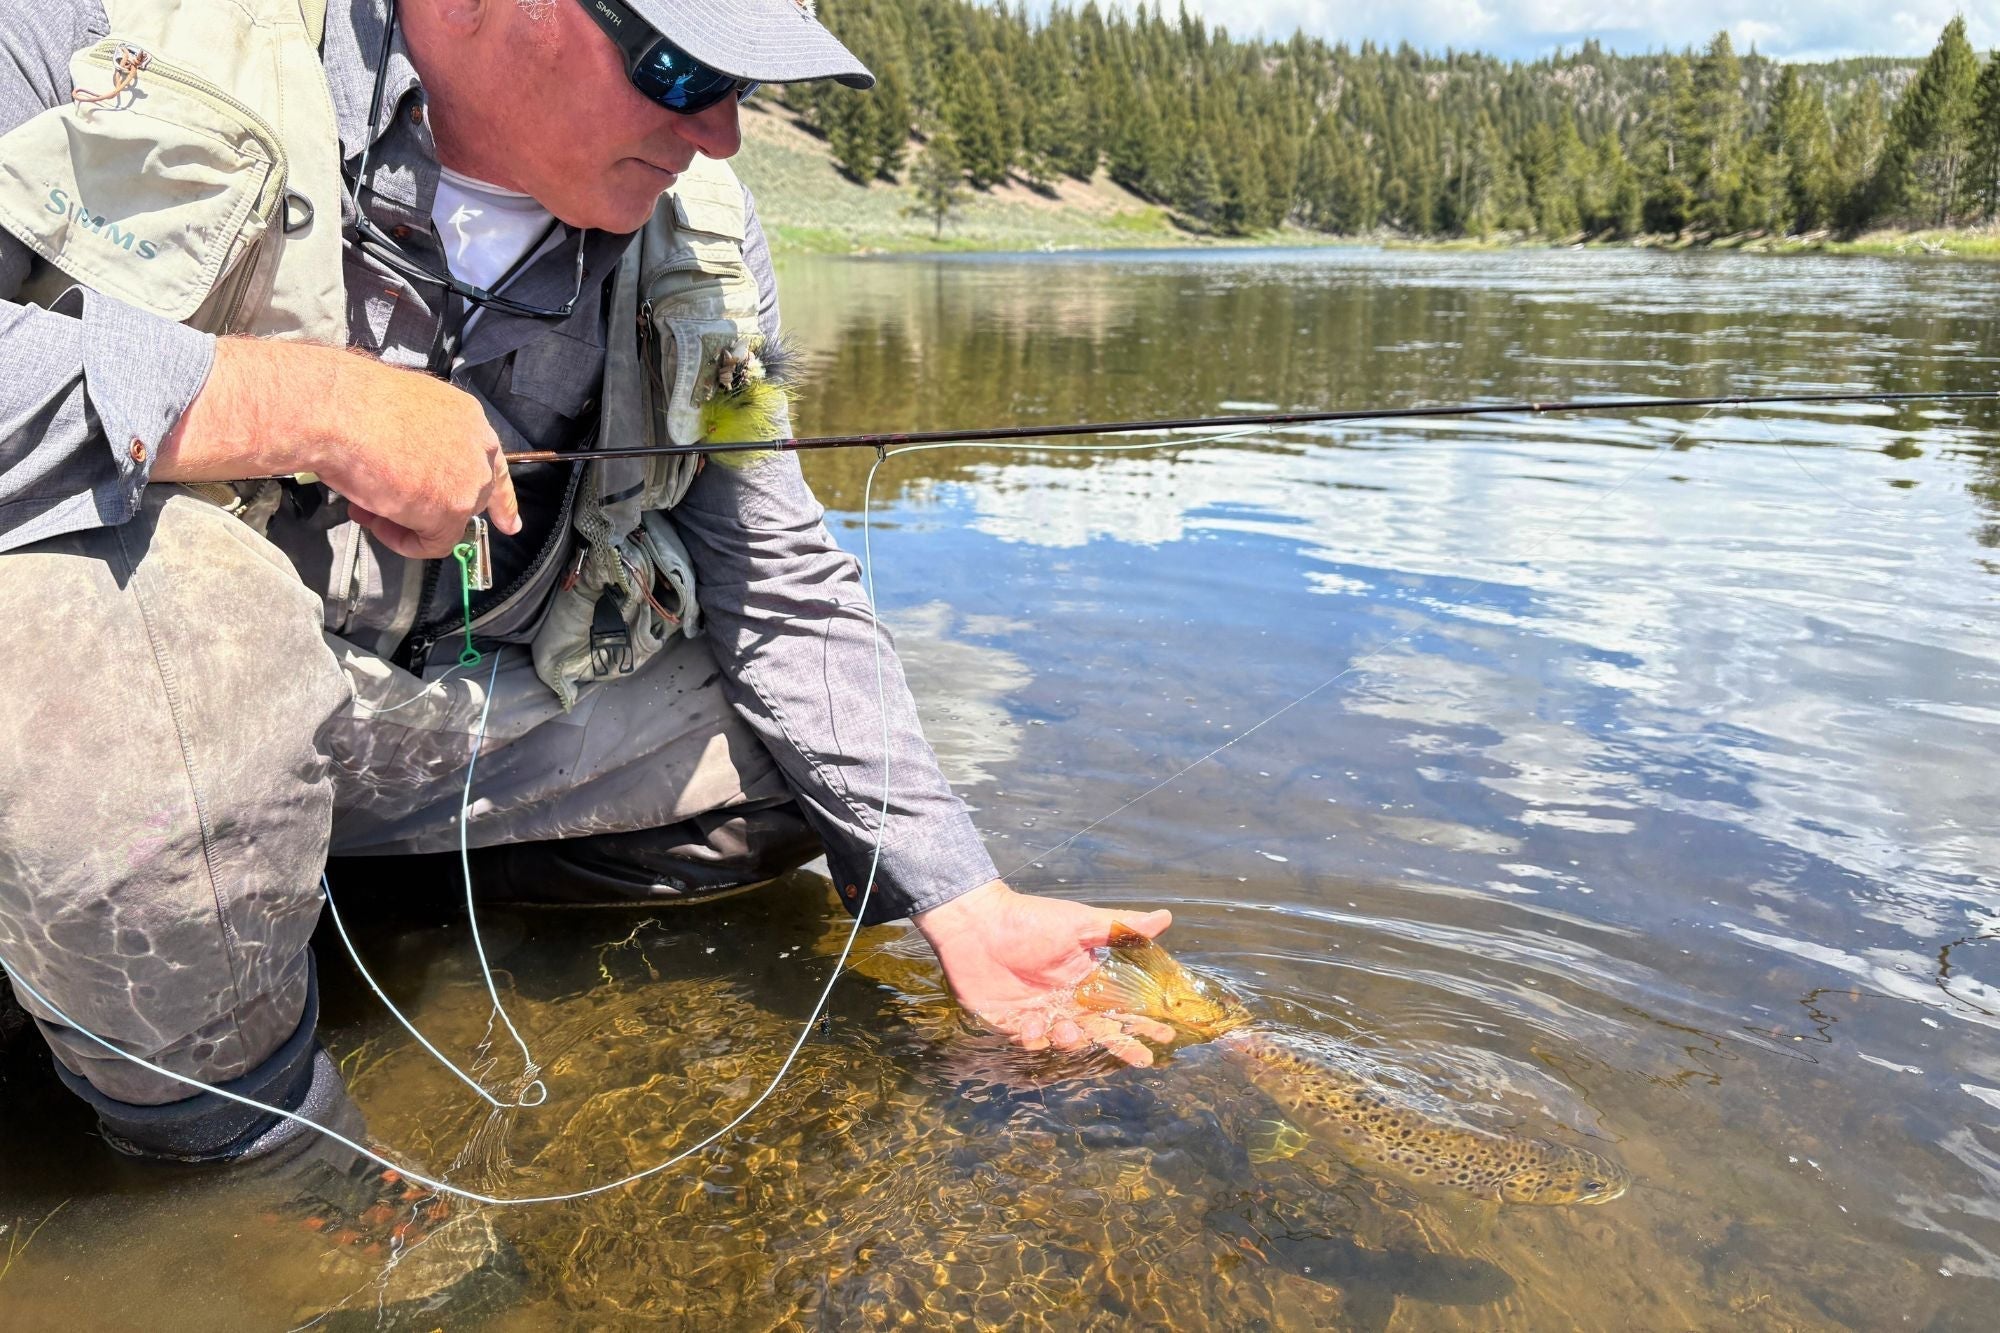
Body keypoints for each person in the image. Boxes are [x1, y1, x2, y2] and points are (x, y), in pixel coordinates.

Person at [0, 0, 1179, 1197]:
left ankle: (261, 900)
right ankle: (249, 1152)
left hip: (425, 730)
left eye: (745, 87)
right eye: (682, 70)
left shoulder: (708, 237)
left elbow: (770, 573)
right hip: (145, 710)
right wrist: (307, 405)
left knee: (790, 778)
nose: (719, 132)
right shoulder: (84, 36)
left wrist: (960, 898)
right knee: (153, 627)